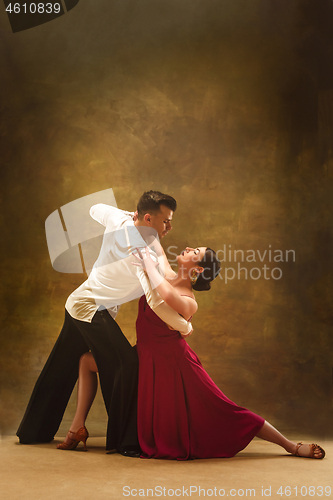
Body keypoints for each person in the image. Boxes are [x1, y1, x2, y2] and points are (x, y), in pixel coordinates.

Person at [16, 191, 192, 456]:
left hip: (81, 303)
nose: (170, 226)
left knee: (61, 365)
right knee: (125, 363)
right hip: (89, 308)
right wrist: (185, 326)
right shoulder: (139, 254)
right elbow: (155, 301)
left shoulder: (124, 222)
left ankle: (35, 432)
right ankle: (127, 442)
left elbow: (96, 208)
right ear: (147, 218)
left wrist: (122, 214)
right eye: (166, 220)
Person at [132, 246, 325, 460]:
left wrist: (146, 266)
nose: (187, 248)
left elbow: (166, 295)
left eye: (194, 252)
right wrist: (150, 227)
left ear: (198, 270)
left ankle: (290, 446)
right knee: (88, 362)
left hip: (177, 365)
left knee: (225, 410)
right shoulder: (166, 274)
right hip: (150, 358)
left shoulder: (189, 302)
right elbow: (157, 247)